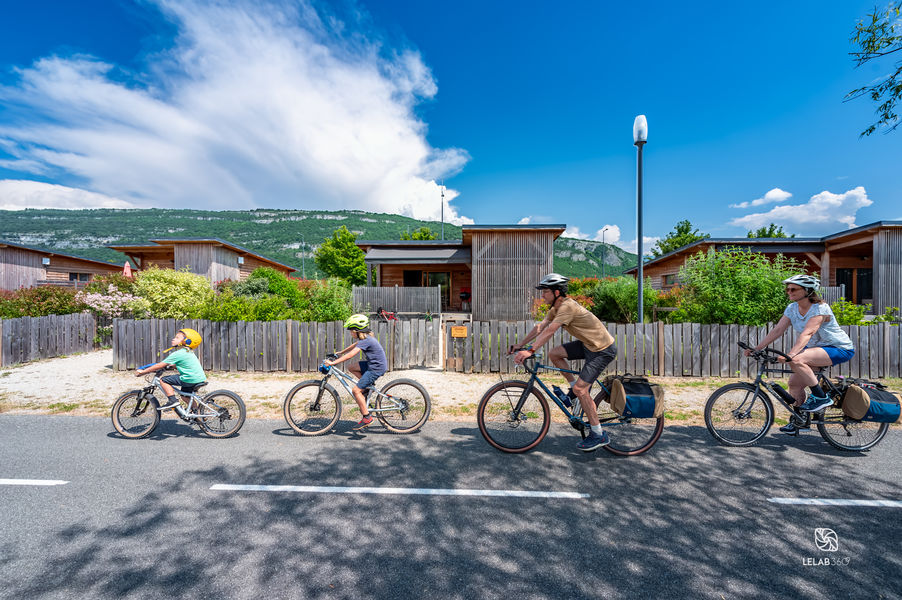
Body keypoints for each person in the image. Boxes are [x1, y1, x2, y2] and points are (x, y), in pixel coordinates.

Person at [511, 273, 617, 452]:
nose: (542, 295)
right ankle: (575, 397)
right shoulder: (555, 308)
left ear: (557, 292)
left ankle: (599, 434)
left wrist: (530, 351)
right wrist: (520, 345)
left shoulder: (567, 306)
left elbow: (551, 331)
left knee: (581, 390)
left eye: (545, 292)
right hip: (588, 345)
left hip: (601, 349)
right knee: (555, 354)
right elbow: (540, 327)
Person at [748, 274, 855, 434]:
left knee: (796, 359)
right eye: (787, 289)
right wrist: (757, 348)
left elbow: (808, 333)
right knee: (795, 385)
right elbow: (778, 330)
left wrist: (790, 355)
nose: (788, 292)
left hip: (839, 348)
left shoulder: (820, 308)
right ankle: (800, 421)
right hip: (816, 351)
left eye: (793, 289)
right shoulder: (792, 308)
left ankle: (821, 397)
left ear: (807, 291)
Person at [325, 314, 388, 430]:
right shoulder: (366, 338)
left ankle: (367, 417)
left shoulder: (366, 340)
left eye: (351, 331)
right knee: (352, 367)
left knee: (355, 390)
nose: (350, 333)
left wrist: (333, 363)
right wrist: (341, 352)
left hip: (375, 368)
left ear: (357, 330)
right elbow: (354, 346)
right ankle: (366, 387)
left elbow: (351, 354)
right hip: (374, 364)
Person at [135, 328, 207, 411]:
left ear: (187, 341)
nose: (173, 339)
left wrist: (143, 372)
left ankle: (172, 401)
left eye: (177, 338)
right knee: (185, 396)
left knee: (163, 380)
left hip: (189, 379)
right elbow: (181, 365)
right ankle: (197, 414)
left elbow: (159, 365)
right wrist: (171, 366)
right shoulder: (188, 352)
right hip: (198, 378)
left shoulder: (179, 353)